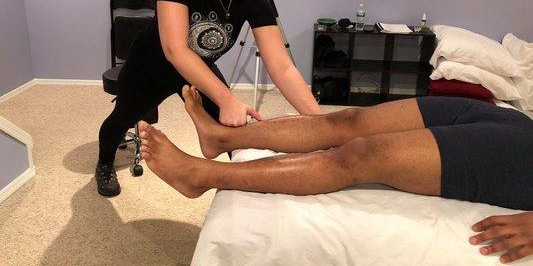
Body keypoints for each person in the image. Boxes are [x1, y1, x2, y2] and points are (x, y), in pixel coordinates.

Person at [139, 86, 533, 264]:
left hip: (523, 162)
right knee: (348, 120)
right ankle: (221, 137)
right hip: (515, 125)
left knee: (362, 155)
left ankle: (201, 175)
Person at [95, 0, 322, 197]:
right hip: (150, 68)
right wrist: (227, 98)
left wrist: (324, 125)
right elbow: (175, 49)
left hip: (197, 69)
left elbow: (282, 66)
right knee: (122, 118)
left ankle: (241, 187)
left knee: (232, 132)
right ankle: (104, 164)